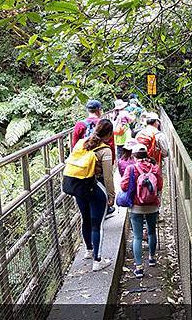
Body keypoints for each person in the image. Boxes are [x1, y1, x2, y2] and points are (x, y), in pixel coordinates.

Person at [70, 119, 115, 271]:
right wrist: (111, 195)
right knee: (97, 225)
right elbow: (108, 177)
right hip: (96, 189)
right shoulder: (105, 150)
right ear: (109, 134)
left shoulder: (82, 143)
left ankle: (88, 251)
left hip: (79, 187)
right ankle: (98, 260)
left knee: (85, 219)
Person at [120, 144, 163, 278]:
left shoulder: (131, 168)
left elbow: (123, 186)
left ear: (134, 155)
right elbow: (160, 185)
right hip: (152, 205)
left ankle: (138, 268)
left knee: (137, 237)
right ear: (146, 154)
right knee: (151, 231)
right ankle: (151, 258)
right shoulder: (155, 168)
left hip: (136, 206)